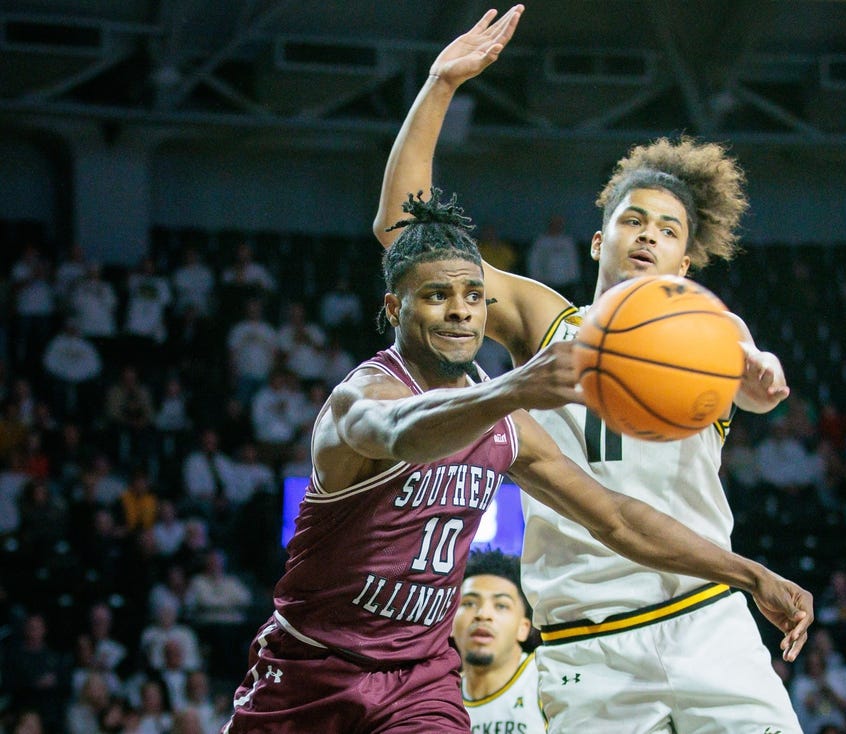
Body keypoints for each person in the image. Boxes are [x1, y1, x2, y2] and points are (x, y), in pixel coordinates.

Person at [224, 188, 811, 732]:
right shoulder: (365, 396)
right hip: (314, 661)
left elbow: (615, 518)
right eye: (437, 296)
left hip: (420, 677)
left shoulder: (512, 424)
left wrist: (752, 574)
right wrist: (513, 389)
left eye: (473, 296)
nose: (460, 311)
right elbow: (404, 433)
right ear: (394, 306)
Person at [374, 7, 812, 731]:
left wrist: (760, 373)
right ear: (599, 238)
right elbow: (404, 237)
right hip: (588, 641)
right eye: (634, 221)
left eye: (669, 231)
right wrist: (439, 86)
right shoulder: (547, 321)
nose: (649, 236)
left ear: (685, 259)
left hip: (707, 619)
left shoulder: (704, 328)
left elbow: (755, 375)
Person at [453, 549, 544, 732]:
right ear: (448, 624)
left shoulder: (546, 678)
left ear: (523, 628)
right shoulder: (437, 695)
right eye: (469, 603)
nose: (483, 615)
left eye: (501, 605)